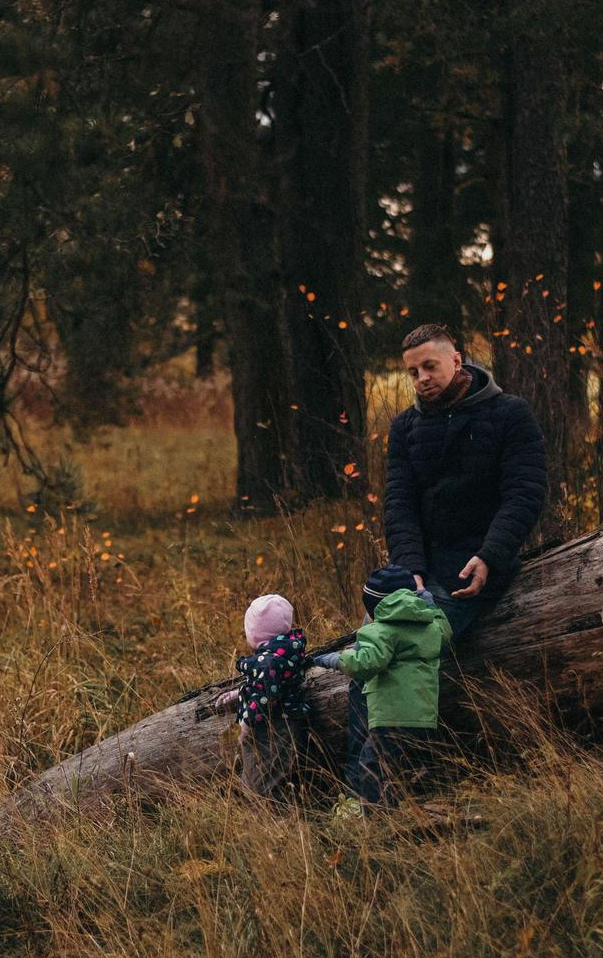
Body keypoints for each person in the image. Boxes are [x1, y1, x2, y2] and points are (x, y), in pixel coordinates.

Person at [341, 323, 548, 785]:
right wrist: (411, 570)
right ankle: (364, 791)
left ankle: (382, 790)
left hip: (476, 568)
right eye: (412, 372)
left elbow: (524, 493)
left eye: (429, 366)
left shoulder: (510, 414)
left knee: (396, 656)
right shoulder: (406, 427)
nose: (421, 379)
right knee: (371, 653)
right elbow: (399, 506)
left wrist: (490, 555)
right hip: (420, 572)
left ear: (458, 361)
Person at [310, 565, 452, 804]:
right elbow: (446, 633)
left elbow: (364, 664)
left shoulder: (380, 631)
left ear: (375, 607)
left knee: (372, 767)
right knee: (413, 766)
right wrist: (432, 606)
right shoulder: (429, 626)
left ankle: (377, 819)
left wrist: (332, 659)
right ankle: (422, 807)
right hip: (424, 715)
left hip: (390, 717)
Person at [212, 593, 317, 803]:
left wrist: (247, 726)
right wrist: (239, 694)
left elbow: (264, 697)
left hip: (269, 729)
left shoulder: (267, 662)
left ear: (254, 632)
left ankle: (268, 824)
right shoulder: (285, 652)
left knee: (262, 783)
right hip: (287, 724)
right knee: (273, 776)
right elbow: (265, 685)